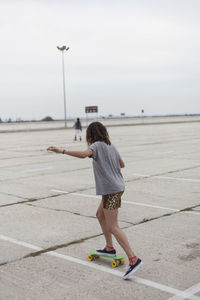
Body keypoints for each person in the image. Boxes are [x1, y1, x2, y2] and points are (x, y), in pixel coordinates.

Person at [47, 121, 142, 279]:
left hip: (111, 190)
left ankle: (134, 259)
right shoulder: (111, 146)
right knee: (100, 215)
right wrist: (109, 164)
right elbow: (122, 164)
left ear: (90, 135)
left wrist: (61, 151)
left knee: (113, 226)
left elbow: (84, 154)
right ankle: (109, 247)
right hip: (114, 188)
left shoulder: (97, 146)